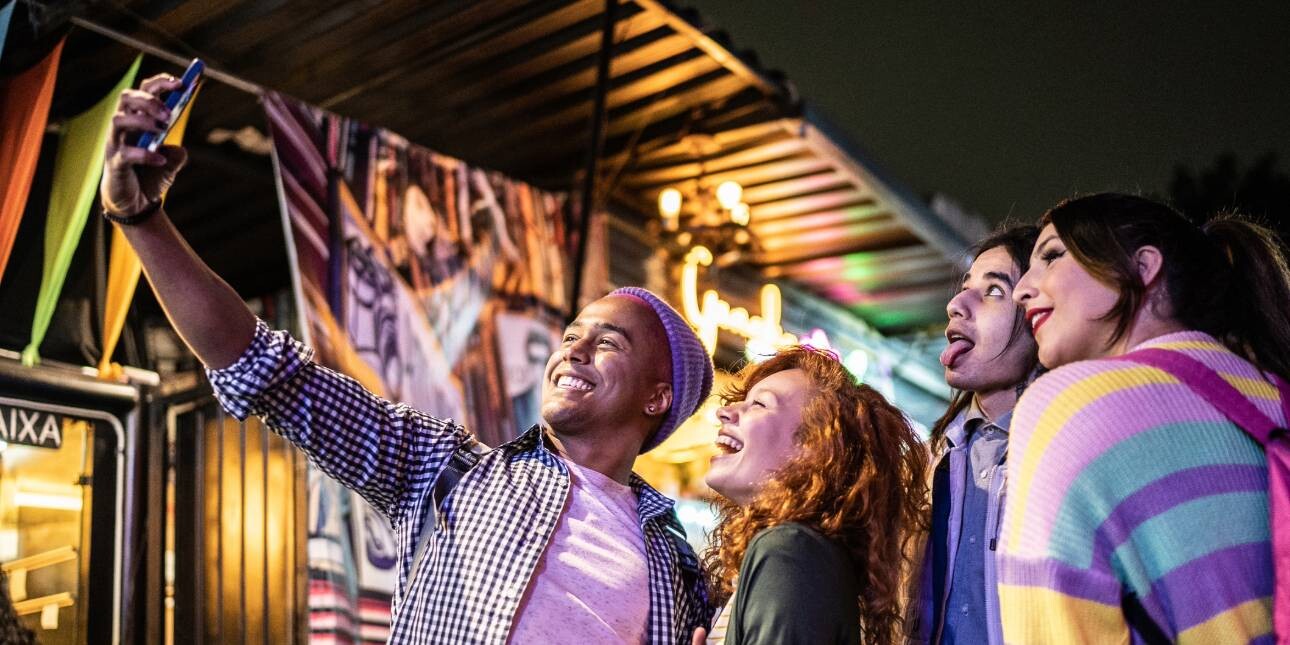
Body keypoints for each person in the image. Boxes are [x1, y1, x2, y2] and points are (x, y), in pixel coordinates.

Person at [103, 75, 715, 643]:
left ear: (656, 398)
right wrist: (141, 219)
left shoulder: (677, 564)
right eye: (572, 334)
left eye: (607, 342)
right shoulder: (444, 472)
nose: (572, 350)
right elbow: (266, 368)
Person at [1000, 193, 1290, 643]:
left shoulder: (1068, 404)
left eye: (1053, 256)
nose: (1022, 289)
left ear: (1143, 267)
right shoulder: (1276, 394)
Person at [696, 347, 929, 644]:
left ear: (816, 449)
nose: (725, 412)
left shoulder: (789, 550)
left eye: (759, 404)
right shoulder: (802, 554)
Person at [911, 224, 1041, 645]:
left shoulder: (1065, 454)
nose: (956, 305)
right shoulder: (929, 463)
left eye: (994, 291)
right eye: (965, 287)